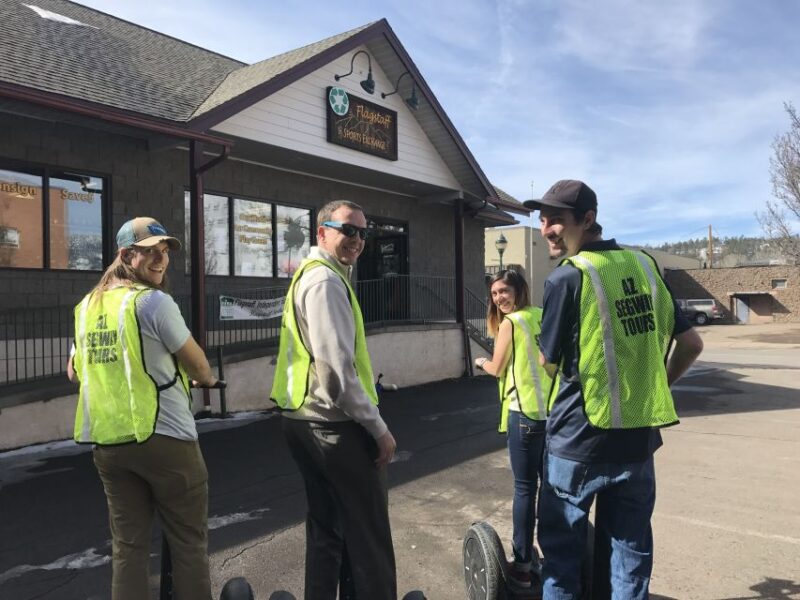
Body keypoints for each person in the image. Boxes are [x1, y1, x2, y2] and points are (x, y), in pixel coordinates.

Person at [523, 180, 704, 599]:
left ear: (587, 219)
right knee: (630, 558)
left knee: (562, 564)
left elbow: (548, 362)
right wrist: (653, 385)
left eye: (555, 220)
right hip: (637, 442)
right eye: (542, 220)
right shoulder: (645, 267)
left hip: (576, 443)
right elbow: (692, 344)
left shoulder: (568, 277)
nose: (546, 229)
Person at [67, 217, 217, 600]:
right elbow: (199, 367)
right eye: (150, 251)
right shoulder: (152, 302)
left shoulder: (87, 307)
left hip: (110, 444)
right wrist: (202, 379)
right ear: (125, 255)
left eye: (164, 251)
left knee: (128, 547)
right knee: (188, 542)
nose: (160, 259)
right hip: (167, 438)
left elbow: (75, 370)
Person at [270, 200, 397, 600]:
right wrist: (378, 428)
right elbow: (335, 372)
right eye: (348, 229)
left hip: (303, 419)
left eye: (363, 232)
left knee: (327, 529)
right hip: (333, 425)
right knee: (369, 536)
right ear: (322, 232)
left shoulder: (312, 275)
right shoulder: (325, 282)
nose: (357, 239)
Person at [474, 269, 552, 590]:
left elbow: (497, 368)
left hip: (524, 416)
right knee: (550, 488)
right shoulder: (541, 316)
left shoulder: (511, 323)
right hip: (550, 415)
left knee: (524, 489)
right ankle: (552, 557)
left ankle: (521, 567)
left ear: (519, 290)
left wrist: (480, 362)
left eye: (504, 291)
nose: (499, 299)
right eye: (494, 294)